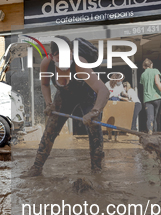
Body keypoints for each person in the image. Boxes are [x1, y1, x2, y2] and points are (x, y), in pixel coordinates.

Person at [22, 37, 109, 177]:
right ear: (52, 56)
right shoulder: (47, 64)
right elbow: (44, 84)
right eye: (58, 56)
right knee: (50, 128)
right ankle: (36, 167)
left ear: (72, 52)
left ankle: (97, 169)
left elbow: (103, 90)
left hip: (86, 95)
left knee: (94, 128)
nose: (63, 59)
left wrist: (95, 111)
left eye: (66, 54)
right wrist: (49, 103)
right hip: (64, 96)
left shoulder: (80, 64)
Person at [139, 58, 161, 134]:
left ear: (144, 66)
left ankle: (150, 132)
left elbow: (143, 84)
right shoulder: (155, 71)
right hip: (156, 97)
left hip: (147, 99)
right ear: (151, 64)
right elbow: (157, 83)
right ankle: (156, 133)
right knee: (156, 118)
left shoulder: (143, 74)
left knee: (150, 117)